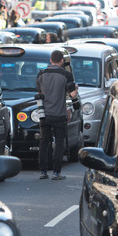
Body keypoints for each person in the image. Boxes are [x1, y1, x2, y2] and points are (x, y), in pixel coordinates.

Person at [36, 50, 79, 180]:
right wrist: (75, 88)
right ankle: (56, 172)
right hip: (59, 115)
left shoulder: (41, 74)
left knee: (44, 143)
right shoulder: (66, 74)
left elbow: (39, 93)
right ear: (62, 61)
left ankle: (43, 171)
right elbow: (73, 95)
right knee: (59, 143)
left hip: (44, 114)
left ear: (50, 60)